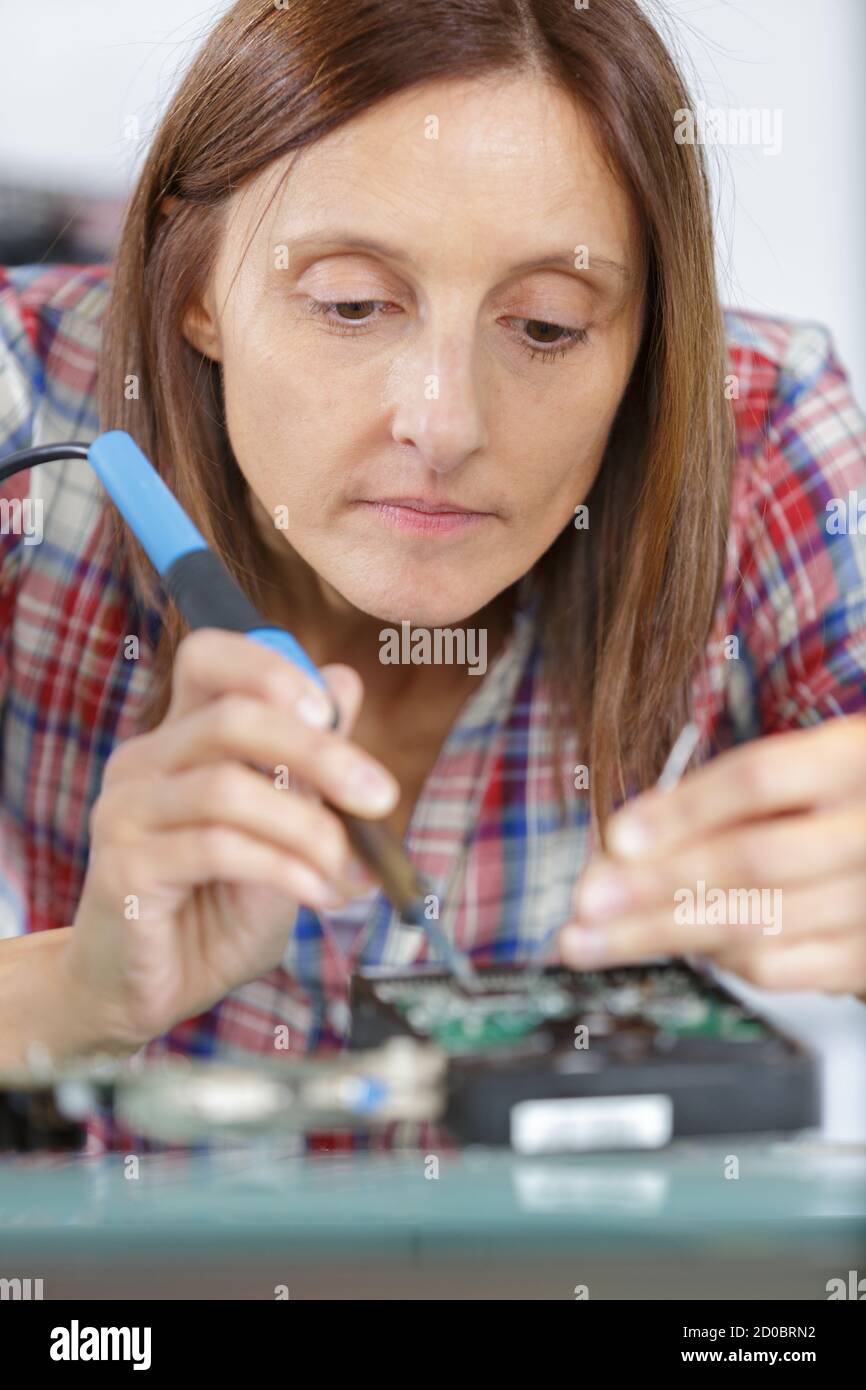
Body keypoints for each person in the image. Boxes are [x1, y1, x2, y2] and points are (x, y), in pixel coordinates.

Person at [1, 0, 864, 1152]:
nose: (443, 423)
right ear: (192, 278)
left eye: (548, 327)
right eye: (352, 304)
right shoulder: (23, 408)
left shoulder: (757, 429)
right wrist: (77, 996)